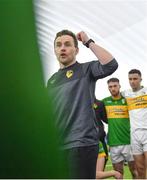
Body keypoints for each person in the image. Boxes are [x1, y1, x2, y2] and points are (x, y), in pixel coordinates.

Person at [47, 29, 118, 178]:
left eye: (67, 44)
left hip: (82, 144)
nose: (62, 48)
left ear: (76, 50)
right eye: (58, 45)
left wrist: (88, 41)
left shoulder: (86, 69)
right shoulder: (51, 81)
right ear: (54, 50)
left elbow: (111, 65)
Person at [103, 78, 138, 179]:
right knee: (118, 174)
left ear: (119, 86)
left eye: (115, 86)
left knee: (135, 171)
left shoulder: (128, 101)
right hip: (114, 144)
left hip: (129, 141)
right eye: (110, 87)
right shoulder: (105, 102)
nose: (113, 88)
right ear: (108, 88)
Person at [122, 69, 147, 179]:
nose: (132, 81)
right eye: (130, 79)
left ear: (140, 79)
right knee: (140, 168)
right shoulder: (126, 94)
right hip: (134, 136)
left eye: (135, 79)